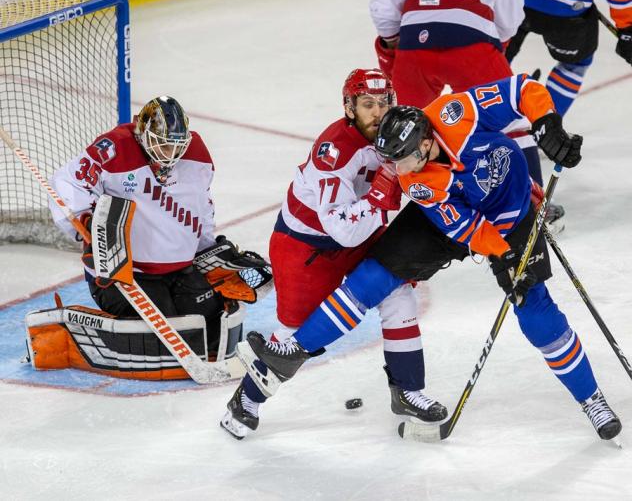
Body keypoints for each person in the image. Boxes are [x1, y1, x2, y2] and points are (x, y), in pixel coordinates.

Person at [237, 74, 622, 441]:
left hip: (512, 213)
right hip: (456, 222)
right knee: (375, 276)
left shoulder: (457, 112)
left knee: (534, 309)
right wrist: (505, 255)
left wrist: (547, 125)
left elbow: (523, 89)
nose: (397, 173)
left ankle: (592, 400)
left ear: (424, 144)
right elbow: (467, 230)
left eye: (402, 160)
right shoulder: (416, 180)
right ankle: (295, 349)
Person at [221, 69, 448, 440]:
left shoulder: (393, 132)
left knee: (399, 296)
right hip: (306, 247)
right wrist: (379, 196)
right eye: (368, 104)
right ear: (350, 107)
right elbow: (340, 229)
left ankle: (408, 391)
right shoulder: (335, 152)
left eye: (384, 102)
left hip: (358, 232)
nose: (378, 112)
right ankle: (245, 401)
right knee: (293, 340)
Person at [49, 96, 260, 369]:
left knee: (209, 325)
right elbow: (67, 182)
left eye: (176, 146)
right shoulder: (114, 148)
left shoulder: (197, 154)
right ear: (142, 135)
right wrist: (87, 224)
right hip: (128, 275)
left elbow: (201, 207)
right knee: (164, 339)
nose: (170, 154)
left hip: (181, 270)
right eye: (162, 144)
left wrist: (209, 251)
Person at [369, 0, 567, 231]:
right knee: (514, 123)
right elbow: (509, 16)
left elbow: (384, 4)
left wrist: (395, 41)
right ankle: (535, 210)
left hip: (414, 38)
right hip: (471, 36)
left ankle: (373, 210)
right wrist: (496, 42)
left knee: (397, 131)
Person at [505, 0, 632, 118]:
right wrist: (627, 28)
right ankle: (544, 124)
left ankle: (489, 105)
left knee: (496, 50)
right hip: (565, 9)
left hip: (514, 1)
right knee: (575, 63)